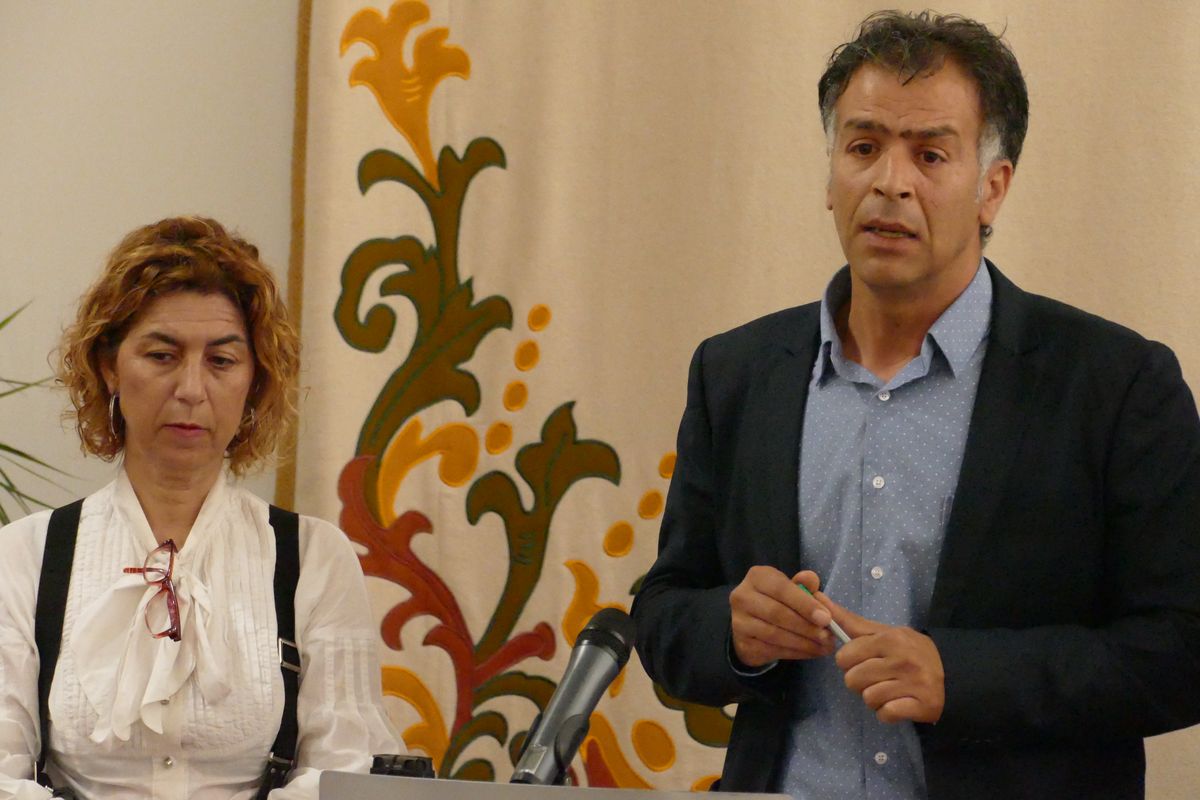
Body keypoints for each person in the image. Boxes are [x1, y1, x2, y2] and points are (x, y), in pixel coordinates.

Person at [631, 11, 1200, 800]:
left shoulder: (1115, 386)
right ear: (830, 174)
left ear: (992, 188)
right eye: (863, 147)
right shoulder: (736, 374)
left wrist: (959, 677)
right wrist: (732, 632)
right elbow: (662, 613)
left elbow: (1181, 648)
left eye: (930, 154)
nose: (889, 182)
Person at [0, 217, 399, 798]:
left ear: (255, 379)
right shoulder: (26, 555)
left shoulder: (313, 558)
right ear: (109, 367)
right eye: (162, 355)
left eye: (222, 361)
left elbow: (344, 772)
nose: (191, 389)